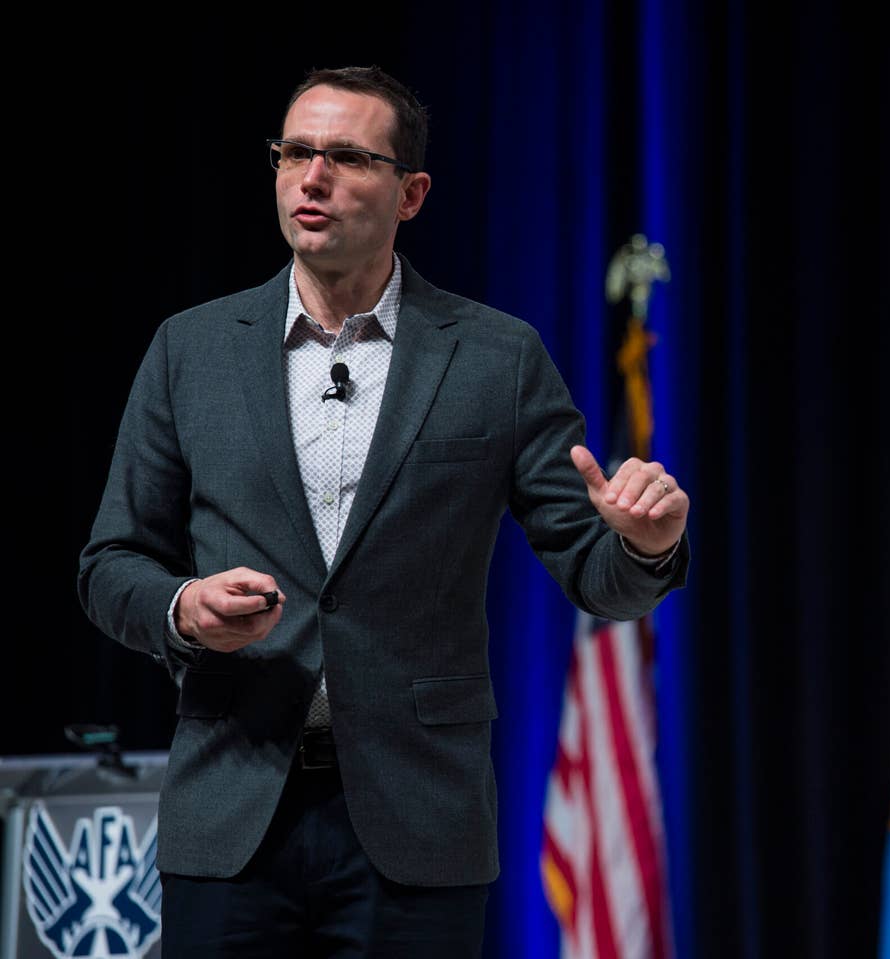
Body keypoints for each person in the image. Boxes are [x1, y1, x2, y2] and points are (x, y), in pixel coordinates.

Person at [77, 65, 689, 956]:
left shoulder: (495, 358)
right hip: (234, 809)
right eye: (294, 153)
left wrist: (645, 548)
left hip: (417, 822)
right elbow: (110, 564)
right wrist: (183, 610)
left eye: (346, 157)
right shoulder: (192, 349)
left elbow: (598, 575)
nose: (311, 178)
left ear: (412, 193)